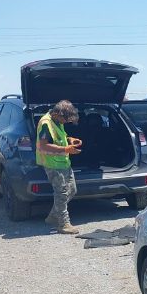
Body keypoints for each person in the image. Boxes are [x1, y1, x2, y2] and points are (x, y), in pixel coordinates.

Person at [35, 100, 82, 234]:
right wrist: (66, 149)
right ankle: (63, 224)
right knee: (61, 193)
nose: (66, 122)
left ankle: (53, 216)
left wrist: (70, 140)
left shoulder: (57, 121)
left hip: (63, 162)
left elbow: (59, 137)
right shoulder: (46, 124)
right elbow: (43, 146)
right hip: (52, 163)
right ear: (58, 114)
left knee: (71, 190)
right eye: (65, 119)